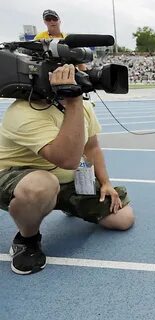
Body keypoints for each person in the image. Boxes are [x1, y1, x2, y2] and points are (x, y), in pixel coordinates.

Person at [0, 65, 135, 275]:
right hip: (18, 179)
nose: (83, 76)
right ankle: (27, 239)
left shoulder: (83, 107)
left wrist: (106, 183)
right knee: (42, 186)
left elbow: (91, 148)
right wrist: (73, 102)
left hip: (66, 180)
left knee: (123, 219)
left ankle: (64, 203)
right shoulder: (23, 112)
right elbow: (68, 160)